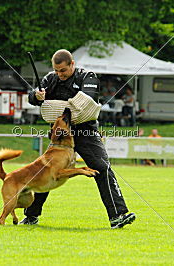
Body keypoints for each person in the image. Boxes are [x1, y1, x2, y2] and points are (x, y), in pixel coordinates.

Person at [24, 49, 136, 228]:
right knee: (46, 172)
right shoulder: (49, 79)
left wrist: (53, 106)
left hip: (85, 132)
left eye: (63, 71)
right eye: (56, 71)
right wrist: (36, 97)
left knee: (101, 168)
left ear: (72, 65)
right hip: (61, 135)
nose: (59, 75)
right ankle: (31, 215)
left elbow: (86, 104)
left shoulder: (87, 77)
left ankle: (118, 215)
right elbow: (32, 99)